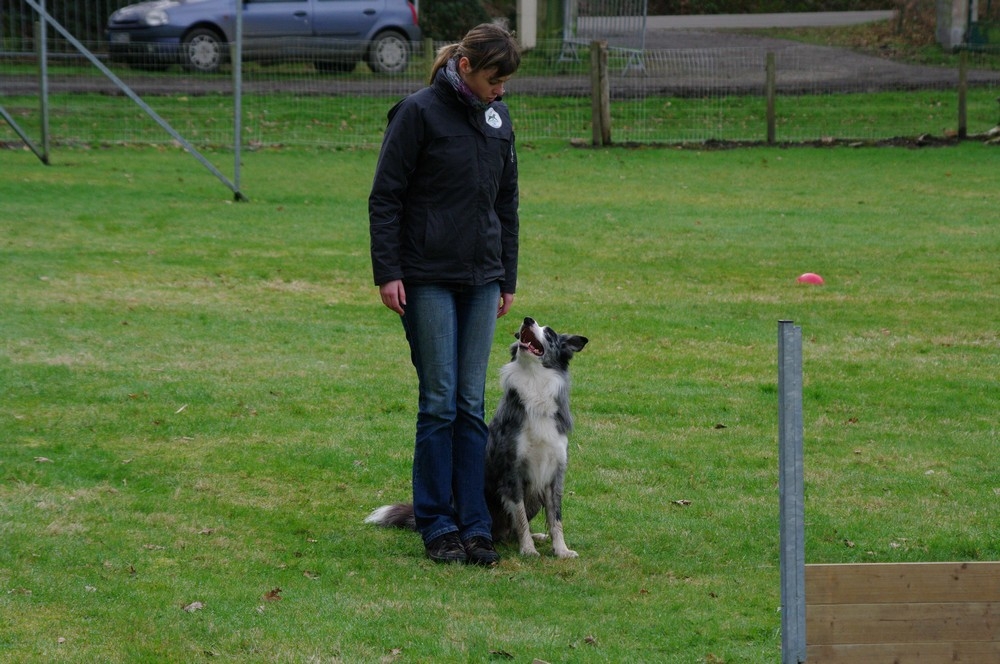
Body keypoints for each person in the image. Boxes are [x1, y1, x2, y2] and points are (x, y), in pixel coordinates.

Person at [368, 24, 521, 565]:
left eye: (505, 82)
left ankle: (476, 523)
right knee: (439, 402)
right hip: (425, 275)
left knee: (469, 404)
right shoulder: (416, 113)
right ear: (465, 68)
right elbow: (385, 197)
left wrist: (506, 278)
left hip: (482, 278)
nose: (499, 90)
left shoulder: (499, 119)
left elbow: (506, 205)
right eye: (493, 79)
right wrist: (388, 272)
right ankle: (436, 522)